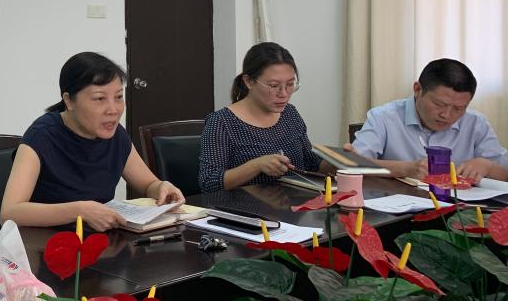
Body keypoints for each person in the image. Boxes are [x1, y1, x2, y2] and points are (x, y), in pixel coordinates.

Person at [0, 51, 184, 232]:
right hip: (46, 243)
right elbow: (9, 213)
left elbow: (148, 184)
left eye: (119, 97)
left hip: (98, 242)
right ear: (69, 101)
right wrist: (78, 211)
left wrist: (162, 187)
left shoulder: (116, 135)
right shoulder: (41, 136)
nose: (113, 110)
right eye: (99, 98)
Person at [351, 58, 508, 181]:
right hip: (398, 209)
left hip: (461, 208)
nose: (446, 115)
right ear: (417, 89)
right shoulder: (383, 117)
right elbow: (353, 165)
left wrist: (488, 167)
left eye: (458, 108)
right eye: (439, 104)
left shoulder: (476, 124)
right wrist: (406, 169)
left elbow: (504, 173)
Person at [198, 42, 320, 192]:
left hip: (294, 203)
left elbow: (311, 163)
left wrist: (341, 162)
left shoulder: (290, 113)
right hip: (245, 205)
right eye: (274, 86)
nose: (283, 94)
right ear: (249, 81)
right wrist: (256, 165)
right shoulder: (221, 122)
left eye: (290, 85)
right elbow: (209, 182)